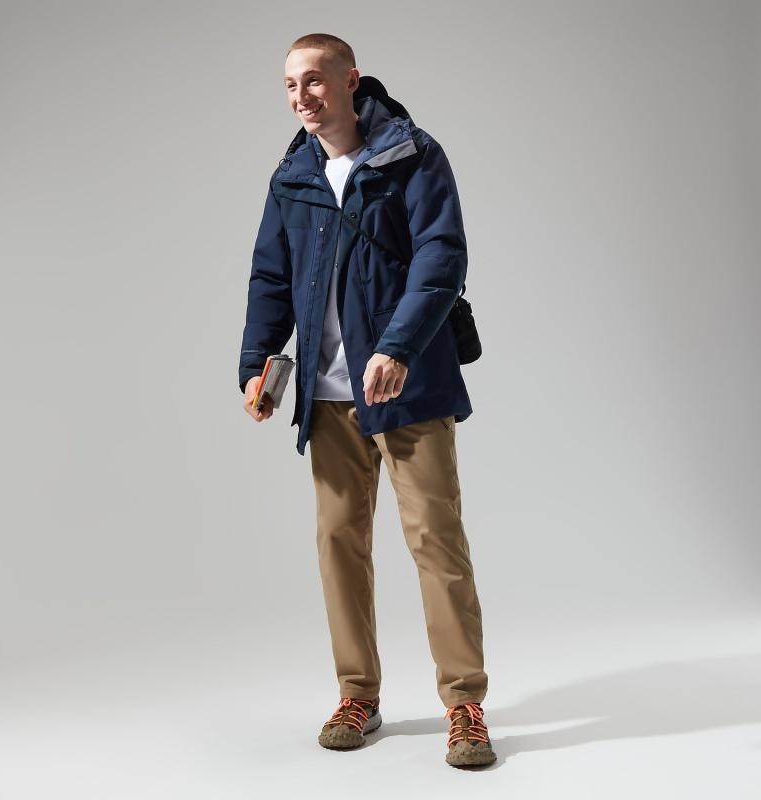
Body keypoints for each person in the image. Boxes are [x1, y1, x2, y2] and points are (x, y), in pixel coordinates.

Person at [238, 32, 496, 768]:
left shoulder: (413, 155)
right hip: (326, 395)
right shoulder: (292, 175)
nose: (302, 97)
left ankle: (465, 705)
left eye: (315, 81)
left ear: (351, 80)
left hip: (409, 386)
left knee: (436, 541)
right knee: (338, 544)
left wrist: (398, 348)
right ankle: (358, 694)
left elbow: (441, 258)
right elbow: (270, 276)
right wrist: (256, 363)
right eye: (291, 86)